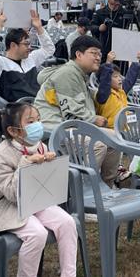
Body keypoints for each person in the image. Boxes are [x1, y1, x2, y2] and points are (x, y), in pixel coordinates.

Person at [0, 103, 78, 277]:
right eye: (31, 122)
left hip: (35, 200)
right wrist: (26, 163)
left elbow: (46, 182)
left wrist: (51, 164)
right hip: (5, 206)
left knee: (67, 223)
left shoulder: (39, 145)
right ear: (14, 131)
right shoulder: (1, 154)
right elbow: (12, 194)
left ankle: (69, 274)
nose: (37, 125)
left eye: (38, 120)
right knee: (37, 233)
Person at [34, 35, 121, 186]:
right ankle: (83, 191)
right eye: (94, 53)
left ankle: (106, 186)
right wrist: (94, 119)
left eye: (100, 54)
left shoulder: (79, 74)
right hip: (55, 130)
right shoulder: (67, 73)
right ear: (78, 55)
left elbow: (81, 103)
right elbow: (71, 113)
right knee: (98, 145)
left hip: (70, 126)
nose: (98, 57)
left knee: (114, 137)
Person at [0, 10, 55, 102]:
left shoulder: (30, 59)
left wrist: (39, 28)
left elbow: (49, 49)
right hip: (18, 111)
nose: (30, 47)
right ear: (13, 45)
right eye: (26, 44)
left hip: (40, 104)